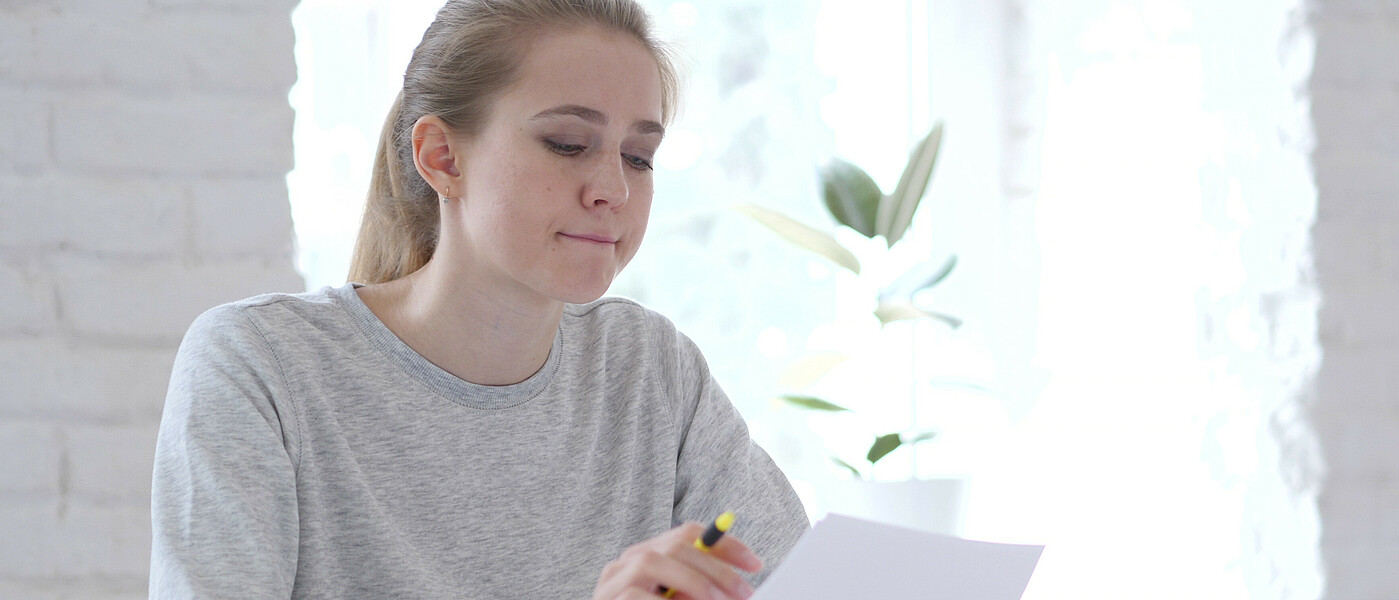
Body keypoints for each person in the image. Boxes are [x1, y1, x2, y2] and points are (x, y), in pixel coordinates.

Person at [148, 0, 809, 598]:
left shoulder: (650, 371)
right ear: (442, 158)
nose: (613, 188)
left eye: (639, 156)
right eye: (567, 144)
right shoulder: (261, 367)